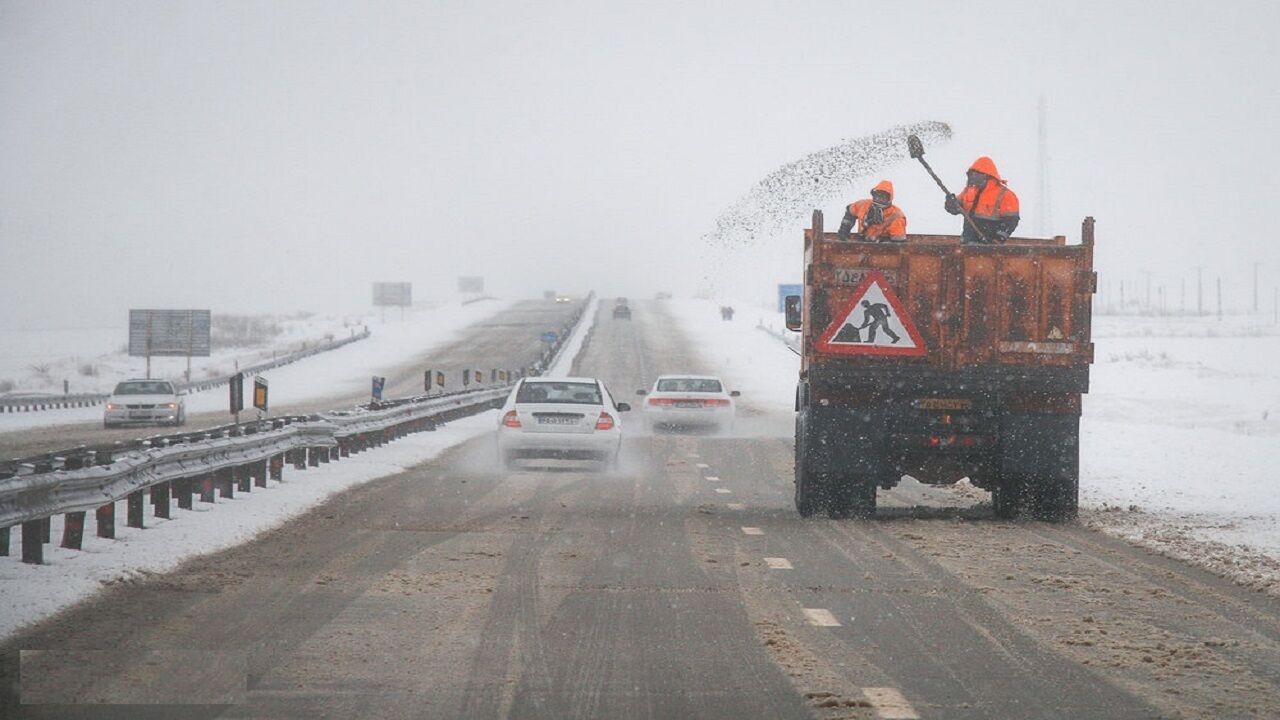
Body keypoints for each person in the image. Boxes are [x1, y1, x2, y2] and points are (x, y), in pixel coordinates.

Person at [944, 157, 1019, 244]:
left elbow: (1011, 221)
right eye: (972, 174)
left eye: (977, 174)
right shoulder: (969, 190)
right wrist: (951, 204)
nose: (973, 177)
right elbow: (957, 208)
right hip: (967, 243)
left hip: (989, 247)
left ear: (988, 175)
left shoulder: (1005, 195)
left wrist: (998, 240)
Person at [837, 180, 907, 243]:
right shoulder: (863, 205)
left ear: (889, 198)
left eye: (883, 196)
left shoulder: (896, 216)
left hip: (882, 252)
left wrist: (882, 242)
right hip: (861, 243)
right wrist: (844, 229)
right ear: (873, 195)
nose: (879, 198)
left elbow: (898, 243)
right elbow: (850, 211)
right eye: (877, 195)